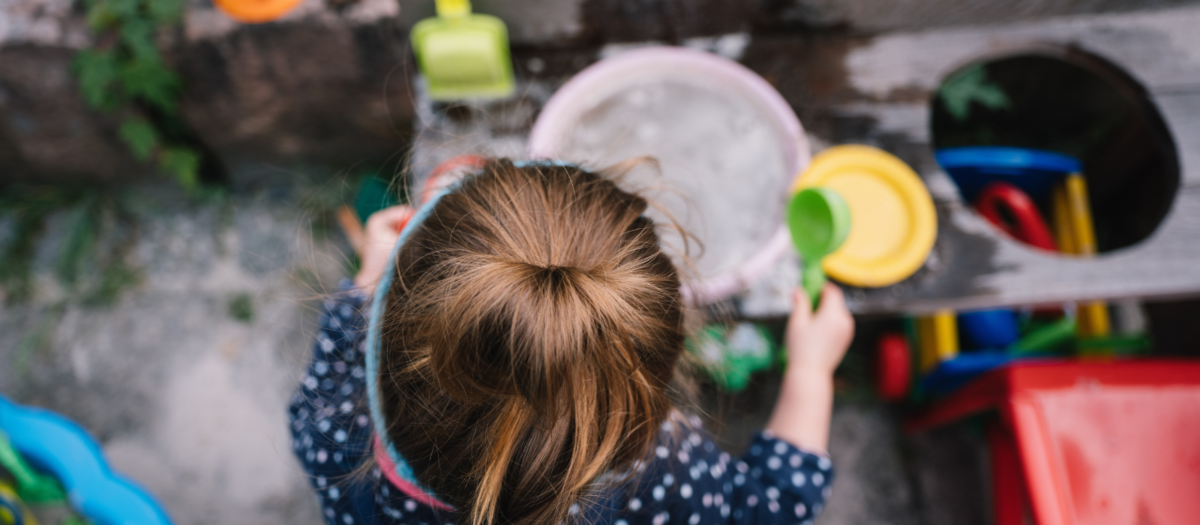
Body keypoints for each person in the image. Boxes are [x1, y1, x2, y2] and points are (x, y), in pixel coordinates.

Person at [289, 159, 853, 525]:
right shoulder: (664, 479)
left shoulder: (337, 441)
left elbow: (331, 373)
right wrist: (809, 372)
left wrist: (369, 279)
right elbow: (778, 506)